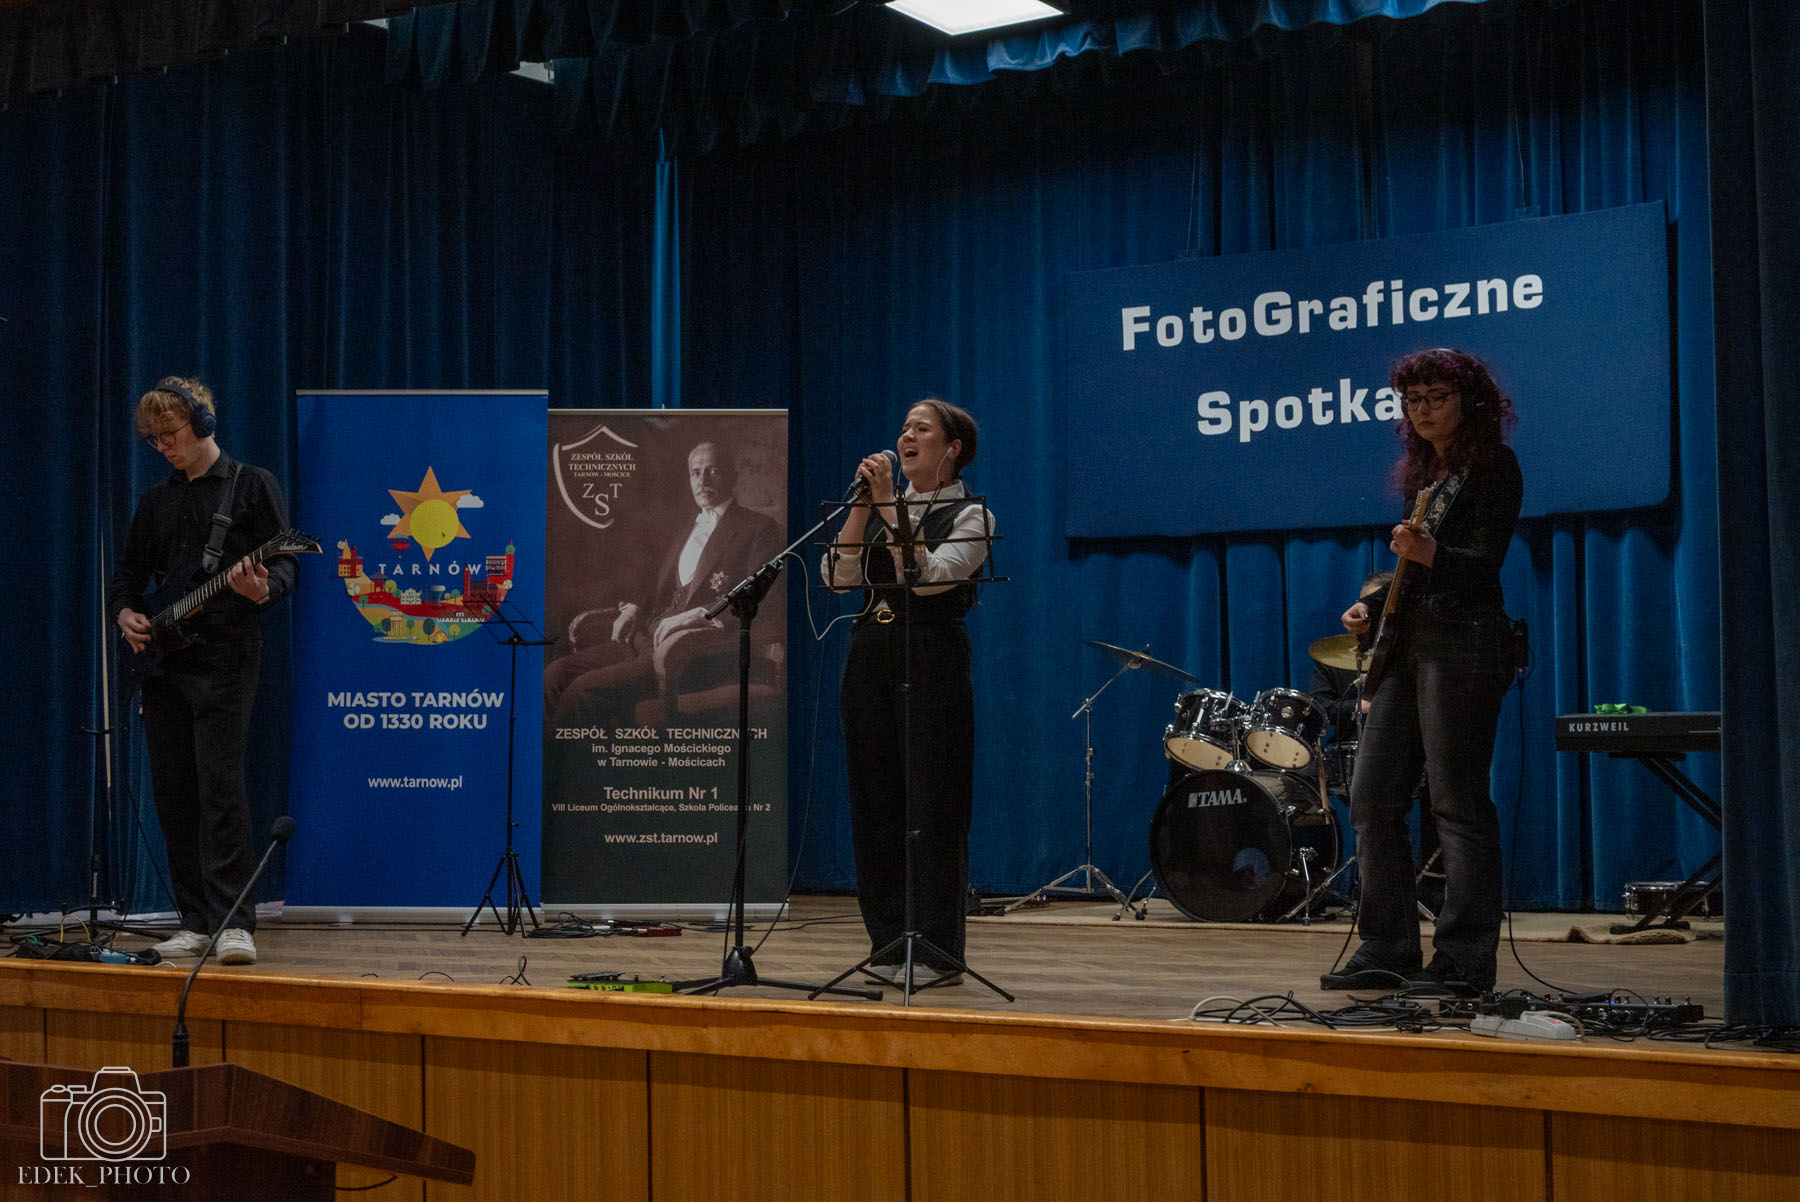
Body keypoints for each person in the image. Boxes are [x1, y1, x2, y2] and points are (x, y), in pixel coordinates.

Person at [1320, 348, 1520, 994]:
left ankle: (1464, 959)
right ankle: (1387, 945)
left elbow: (1481, 566)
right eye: (1413, 401)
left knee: (1456, 803)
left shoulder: (1494, 467)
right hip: (1409, 646)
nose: (1423, 410)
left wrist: (1429, 551)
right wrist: (1375, 604)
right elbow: (1414, 573)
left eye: (1436, 397)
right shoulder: (1423, 473)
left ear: (1470, 401)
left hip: (1465, 645)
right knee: (1372, 797)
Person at [108, 377, 298, 966]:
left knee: (220, 789)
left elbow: (286, 563)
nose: (163, 447)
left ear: (203, 424)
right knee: (173, 794)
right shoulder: (155, 501)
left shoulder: (251, 485)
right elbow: (127, 575)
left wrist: (264, 588)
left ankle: (234, 923)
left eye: (170, 434)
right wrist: (125, 613)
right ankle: (194, 920)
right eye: (154, 440)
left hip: (225, 657)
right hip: (163, 662)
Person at [823, 398, 995, 988]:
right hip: (871, 655)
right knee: (875, 805)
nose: (906, 436)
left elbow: (925, 580)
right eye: (903, 428)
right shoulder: (881, 507)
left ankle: (938, 952)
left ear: (953, 448)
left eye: (921, 428)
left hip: (931, 658)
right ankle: (888, 942)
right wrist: (863, 509)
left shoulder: (973, 515)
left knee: (933, 804)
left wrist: (889, 508)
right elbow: (839, 577)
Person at [544, 440, 782, 729]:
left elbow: (761, 599)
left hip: (690, 653)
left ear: (733, 475)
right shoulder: (686, 526)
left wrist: (699, 615)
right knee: (555, 674)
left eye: (713, 470)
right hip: (645, 636)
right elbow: (660, 580)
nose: (703, 481)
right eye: (696, 473)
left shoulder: (759, 528)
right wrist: (633, 607)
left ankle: (574, 758)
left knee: (583, 690)